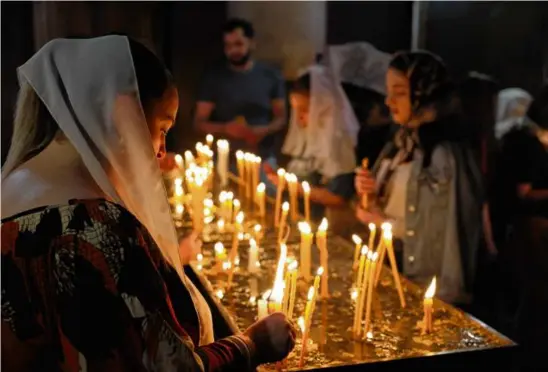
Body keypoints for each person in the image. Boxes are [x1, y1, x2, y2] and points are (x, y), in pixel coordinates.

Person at [1, 35, 296, 371]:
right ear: (123, 112)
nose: (161, 152)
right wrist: (252, 344)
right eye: (163, 128)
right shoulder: (94, 225)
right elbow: (161, 366)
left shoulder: (12, 188)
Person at [354, 51, 483, 304]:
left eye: (400, 92)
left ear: (425, 93)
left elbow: (449, 232)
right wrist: (368, 193)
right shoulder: (402, 142)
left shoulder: (446, 155)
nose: (389, 101)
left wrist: (381, 221)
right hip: (394, 270)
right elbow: (389, 206)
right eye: (388, 91)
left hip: (428, 287)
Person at [269, 66, 359, 229]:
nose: (299, 118)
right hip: (297, 221)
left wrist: (295, 187)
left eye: (304, 110)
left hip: (322, 228)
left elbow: (338, 198)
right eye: (296, 111)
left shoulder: (338, 142)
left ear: (324, 108)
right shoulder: (306, 135)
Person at [499, 86, 548, 371]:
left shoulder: (517, 137)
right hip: (530, 228)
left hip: (521, 228)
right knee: (535, 294)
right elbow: (524, 192)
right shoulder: (527, 143)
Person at [193, 18, 286, 162]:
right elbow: (199, 123)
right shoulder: (214, 77)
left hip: (263, 155)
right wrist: (225, 128)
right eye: (228, 45)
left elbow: (280, 118)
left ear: (252, 43)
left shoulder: (271, 76)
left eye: (238, 44)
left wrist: (264, 130)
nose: (233, 50)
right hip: (226, 158)